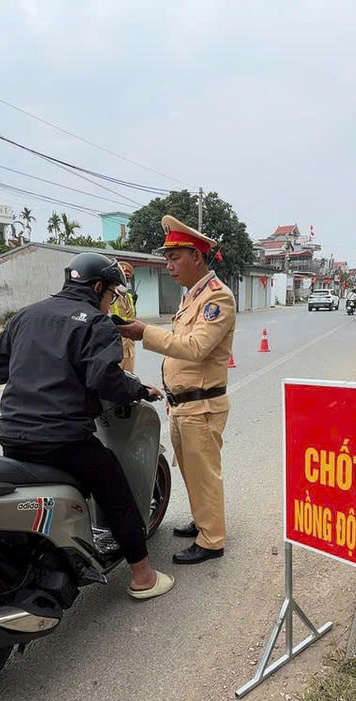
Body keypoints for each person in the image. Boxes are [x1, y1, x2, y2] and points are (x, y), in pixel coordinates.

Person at [0, 251, 174, 600]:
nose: (109, 303)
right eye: (110, 295)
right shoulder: (94, 321)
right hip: (63, 438)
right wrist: (141, 390)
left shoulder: (25, 315)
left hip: (12, 436)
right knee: (115, 491)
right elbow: (106, 381)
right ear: (99, 287)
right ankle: (143, 577)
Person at [118, 216, 235, 565]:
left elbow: (196, 347)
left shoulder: (218, 299)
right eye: (167, 259)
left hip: (203, 406)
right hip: (183, 404)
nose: (169, 266)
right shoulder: (191, 297)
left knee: (204, 474)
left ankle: (212, 540)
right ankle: (203, 522)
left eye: (175, 258)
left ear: (197, 256)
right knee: (190, 472)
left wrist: (144, 333)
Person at [112, 261, 138, 373]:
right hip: (116, 342)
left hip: (129, 345)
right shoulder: (110, 295)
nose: (126, 282)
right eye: (124, 279)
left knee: (129, 376)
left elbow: (132, 316)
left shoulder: (130, 297)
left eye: (127, 279)